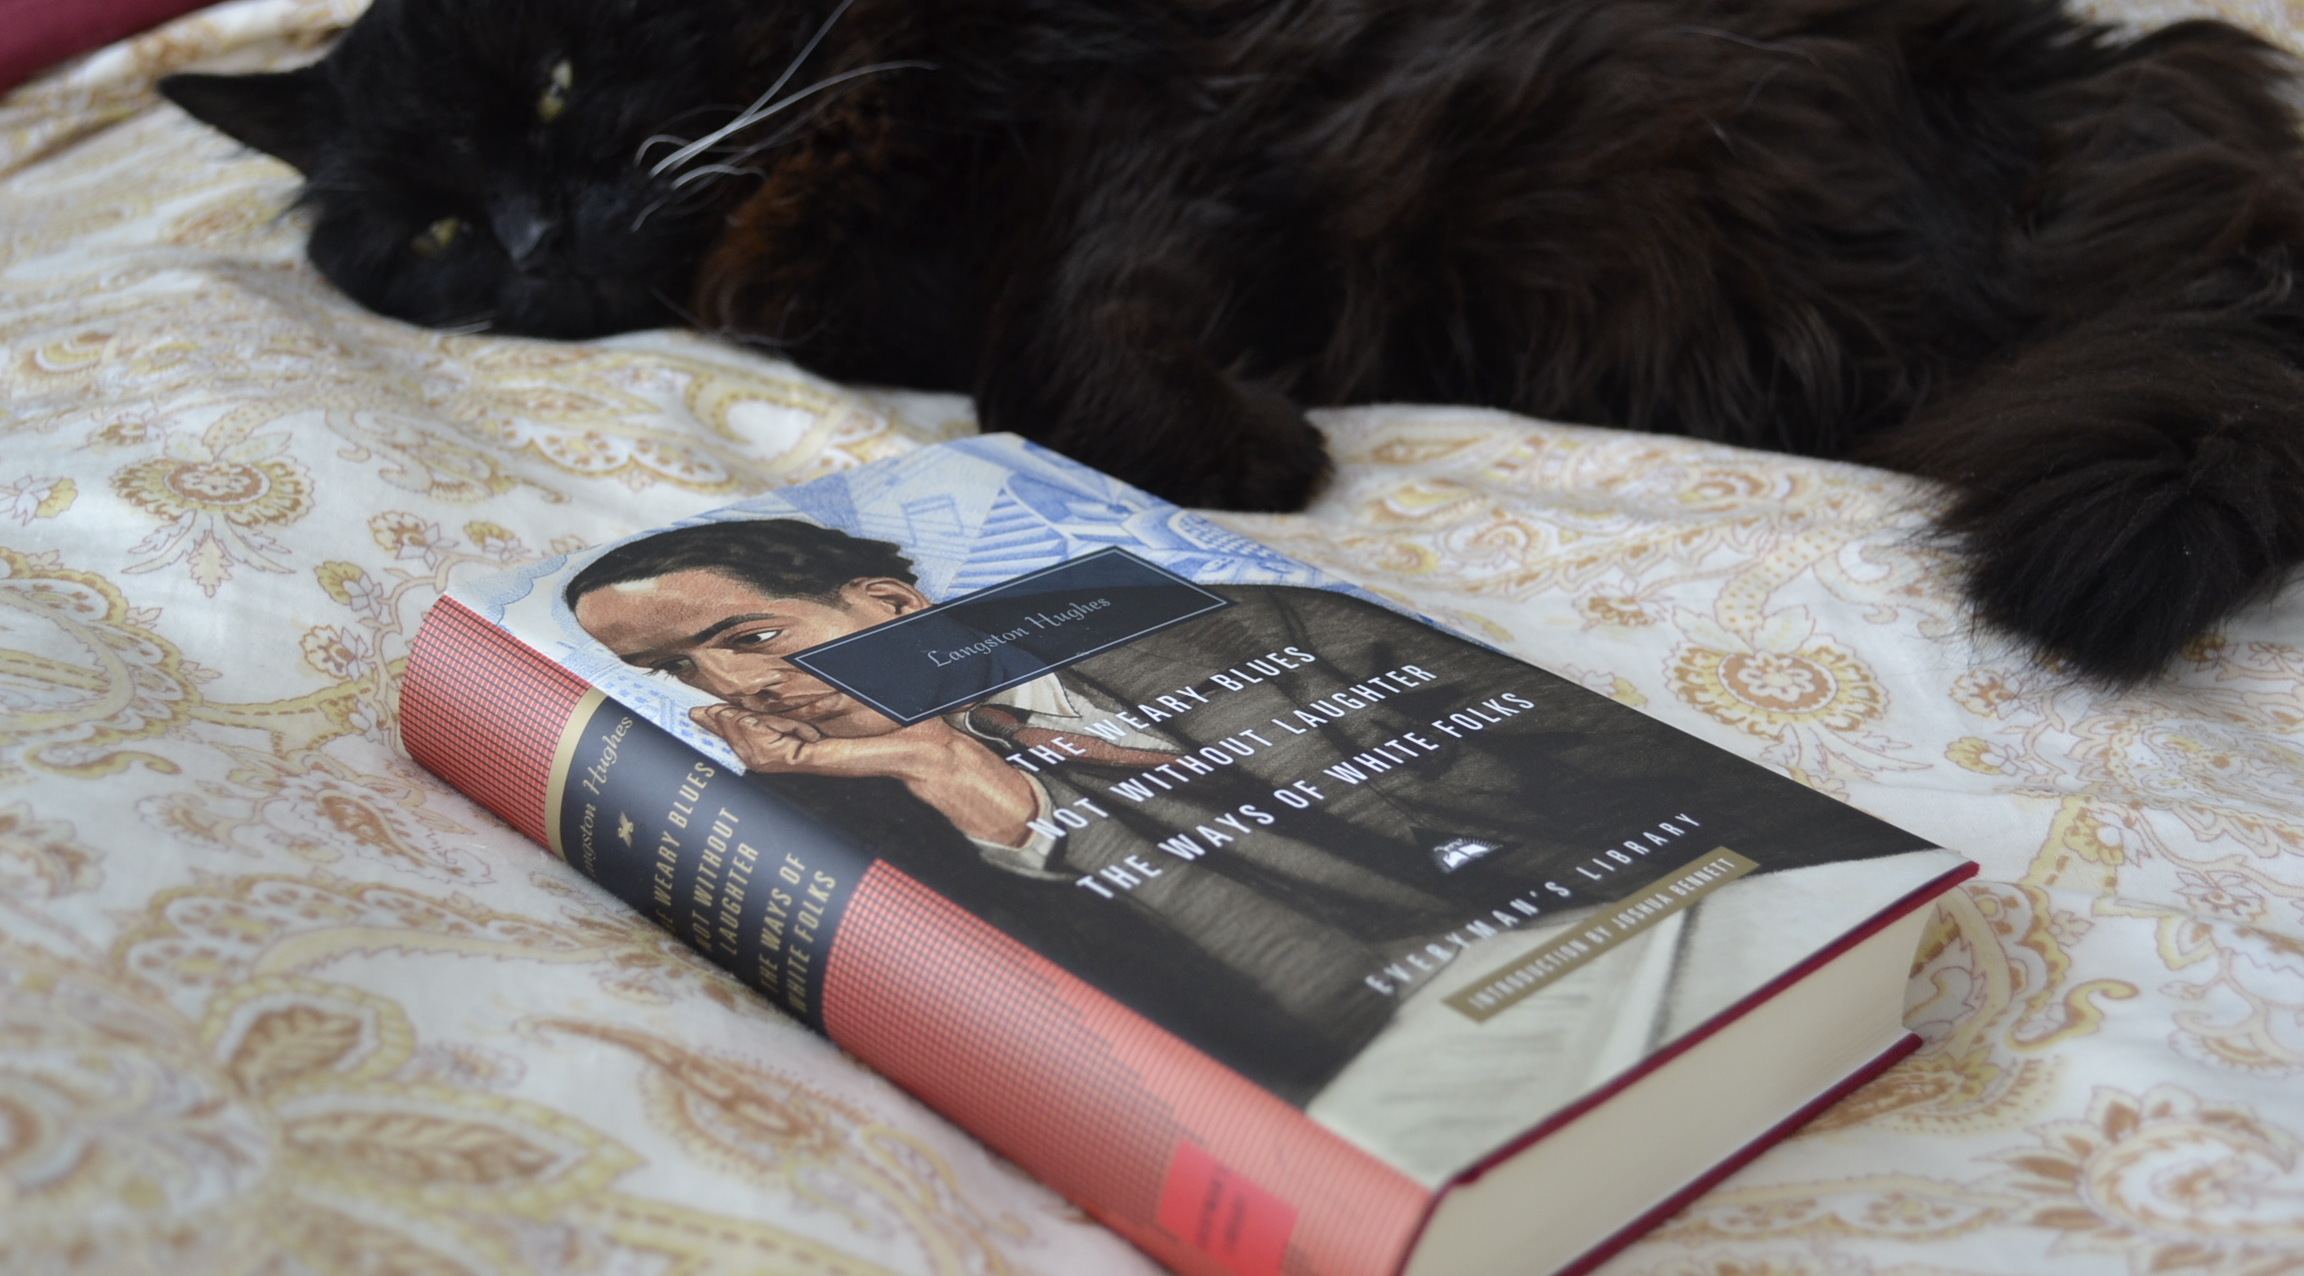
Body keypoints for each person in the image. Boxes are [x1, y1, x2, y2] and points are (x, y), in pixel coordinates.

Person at [566, 517, 1932, 1098]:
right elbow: (1252, 1023)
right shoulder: (829, 831)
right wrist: (945, 779)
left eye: (740, 635)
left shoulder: (1266, 622)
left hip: (1719, 912)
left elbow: (1652, 781)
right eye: (676, 671)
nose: (734, 690)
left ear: (886, 604)